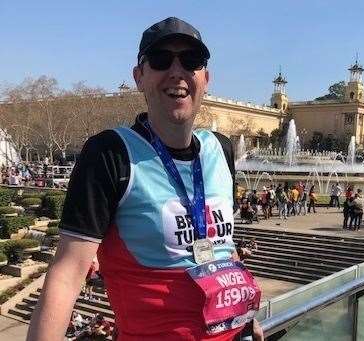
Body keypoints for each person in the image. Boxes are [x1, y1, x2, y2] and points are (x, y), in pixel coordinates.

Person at [28, 17, 263, 341]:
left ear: (205, 79)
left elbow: (223, 249)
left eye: (191, 61)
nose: (177, 71)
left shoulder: (220, 149)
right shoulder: (110, 153)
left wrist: (248, 317)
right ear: (139, 77)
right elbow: (67, 273)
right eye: (161, 60)